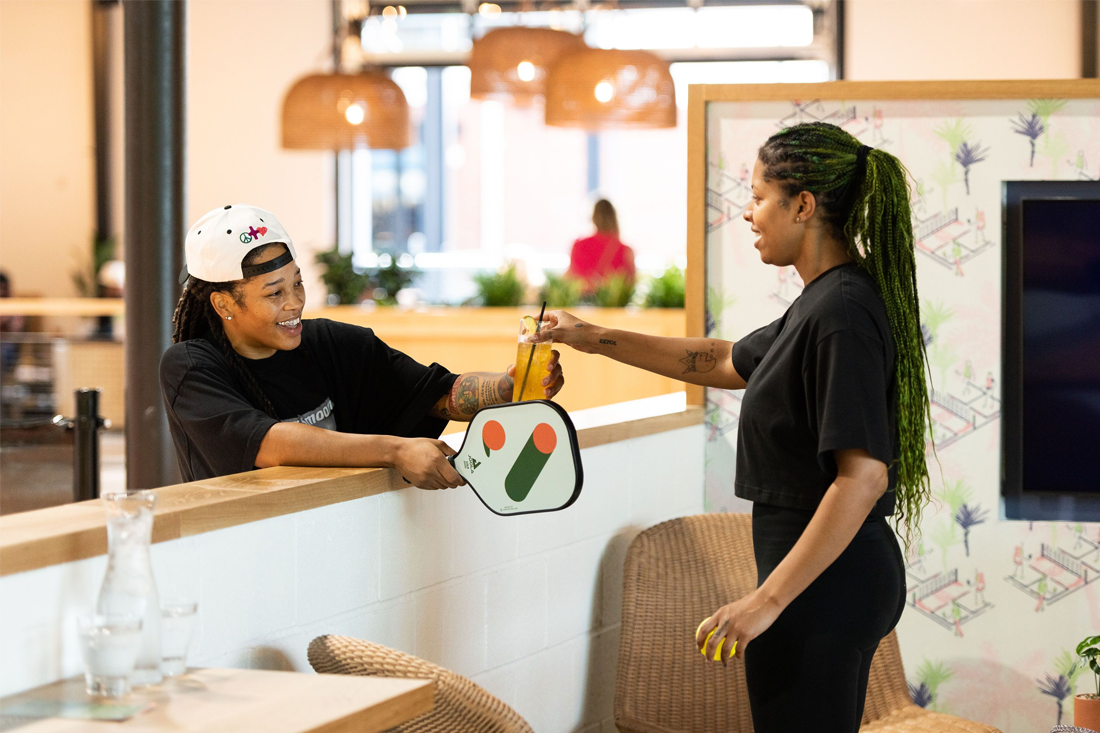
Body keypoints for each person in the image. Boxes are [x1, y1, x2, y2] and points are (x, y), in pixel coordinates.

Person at [530, 122, 930, 732]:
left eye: (758, 196)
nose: (748, 214)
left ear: (803, 205)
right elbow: (719, 359)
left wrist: (766, 603)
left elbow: (864, 476)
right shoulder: (822, 303)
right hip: (822, 581)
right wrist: (592, 338)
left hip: (825, 587)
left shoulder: (841, 313)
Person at [160, 204, 564, 486]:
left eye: (297, 283)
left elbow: (438, 394)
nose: (295, 302)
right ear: (224, 303)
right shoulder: (191, 368)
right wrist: (394, 451)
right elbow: (269, 443)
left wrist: (508, 389)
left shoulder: (333, 343)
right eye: (274, 293)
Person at [565, 199, 635, 293]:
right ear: (614, 217)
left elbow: (570, 277)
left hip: (581, 303)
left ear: (593, 218)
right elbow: (631, 284)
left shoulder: (578, 246)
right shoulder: (625, 250)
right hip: (612, 306)